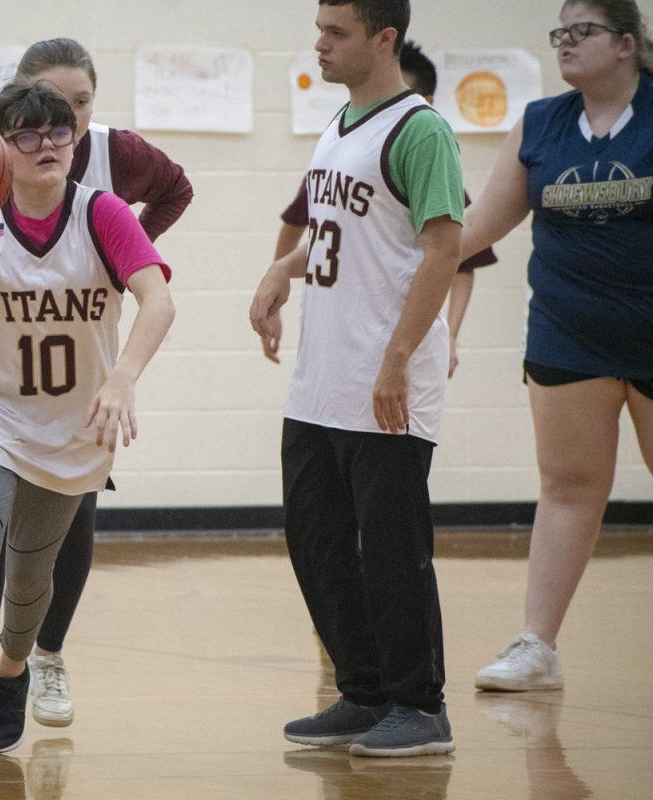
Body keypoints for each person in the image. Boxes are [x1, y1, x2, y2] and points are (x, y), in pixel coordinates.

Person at [0, 37, 192, 730]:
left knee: (34, 577)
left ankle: (11, 674)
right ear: (0, 146)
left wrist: (123, 379)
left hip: (73, 423)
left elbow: (159, 301)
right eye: (27, 133)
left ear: (75, 138)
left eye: (59, 129)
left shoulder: (105, 214)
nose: (47, 143)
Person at [249, 0, 463, 757]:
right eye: (319, 29)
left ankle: (420, 704)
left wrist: (400, 359)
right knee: (318, 542)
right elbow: (339, 234)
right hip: (321, 381)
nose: (320, 44)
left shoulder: (421, 129)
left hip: (386, 379)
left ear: (384, 38)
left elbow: (443, 248)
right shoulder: (336, 127)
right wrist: (282, 266)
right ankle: (362, 690)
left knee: (392, 551)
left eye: (335, 33)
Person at [464, 0, 653, 692]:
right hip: (567, 336)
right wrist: (400, 266)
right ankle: (536, 646)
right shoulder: (540, 124)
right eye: (560, 33)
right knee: (568, 488)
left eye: (584, 31)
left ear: (627, 45)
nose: (566, 44)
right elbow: (479, 224)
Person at [273, 41, 498, 378]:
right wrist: (277, 280)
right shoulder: (341, 154)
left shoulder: (428, 156)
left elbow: (462, 260)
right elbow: (295, 224)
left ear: (426, 103)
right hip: (332, 340)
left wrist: (451, 335)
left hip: (391, 339)